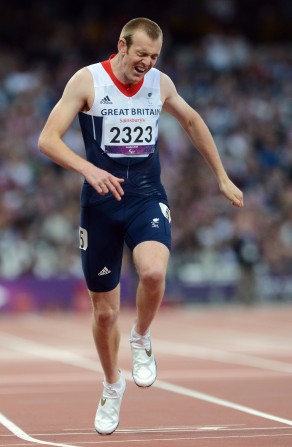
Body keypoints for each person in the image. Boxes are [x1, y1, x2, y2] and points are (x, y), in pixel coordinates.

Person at [38, 17, 243, 435]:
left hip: (146, 196)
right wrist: (87, 169)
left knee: (152, 271)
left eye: (154, 56)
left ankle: (141, 337)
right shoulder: (88, 81)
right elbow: (47, 139)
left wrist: (221, 175)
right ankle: (113, 384)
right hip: (99, 205)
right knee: (103, 313)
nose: (147, 63)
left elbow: (192, 121)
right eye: (141, 54)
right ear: (122, 46)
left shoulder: (160, 84)